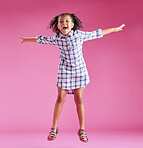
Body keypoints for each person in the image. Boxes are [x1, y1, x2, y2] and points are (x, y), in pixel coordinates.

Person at [18, 13, 125, 142]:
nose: (65, 23)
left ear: (72, 25)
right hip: (64, 70)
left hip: (79, 70)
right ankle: (54, 128)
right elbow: (41, 39)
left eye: (68, 21)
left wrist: (113, 29)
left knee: (79, 98)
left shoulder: (79, 35)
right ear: (58, 26)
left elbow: (97, 33)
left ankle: (82, 130)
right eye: (61, 21)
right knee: (60, 98)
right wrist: (26, 39)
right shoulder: (56, 38)